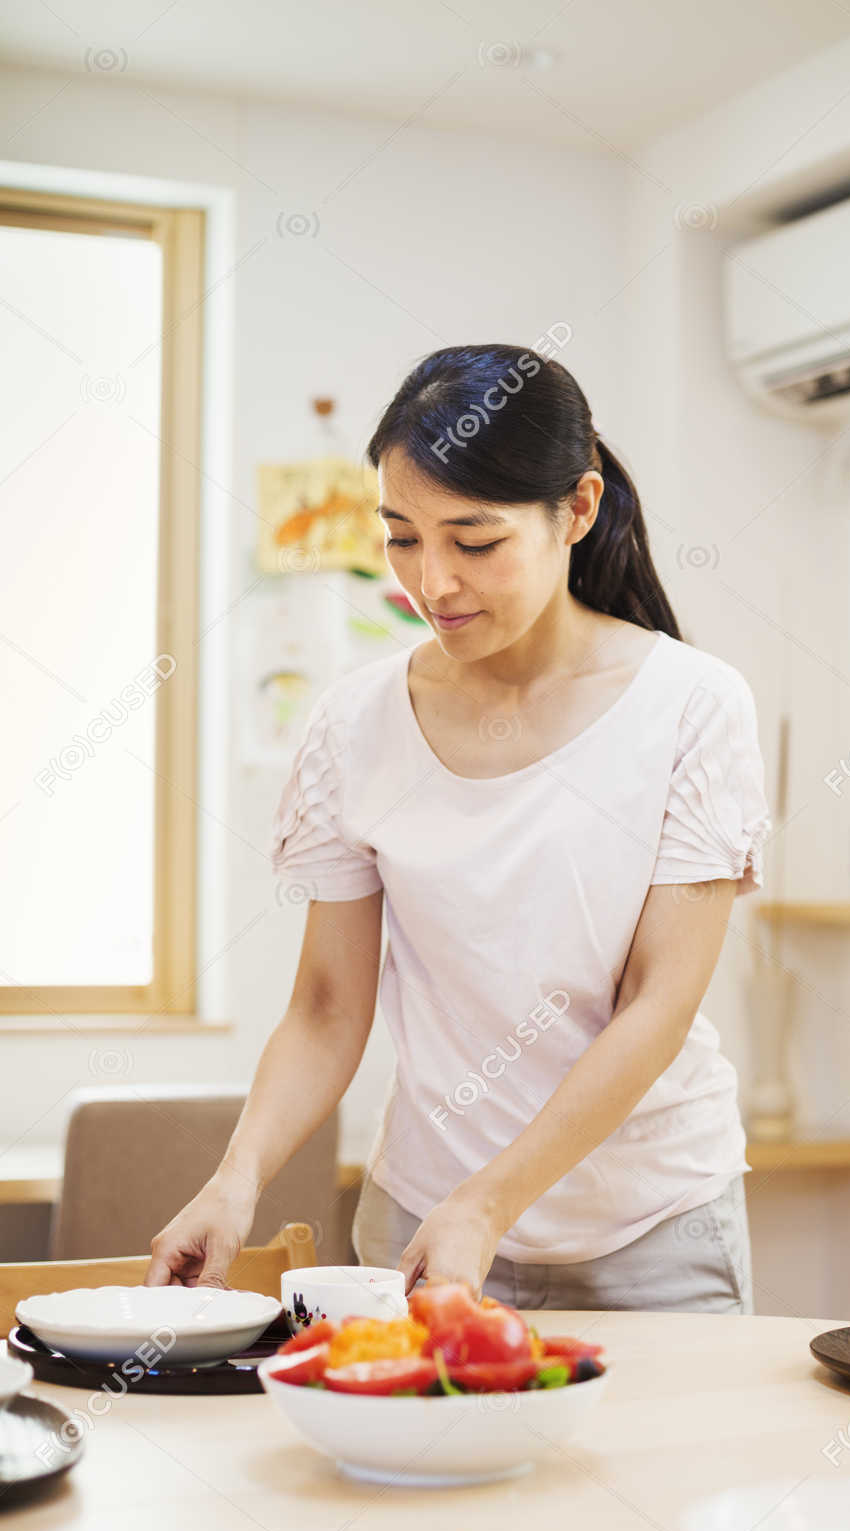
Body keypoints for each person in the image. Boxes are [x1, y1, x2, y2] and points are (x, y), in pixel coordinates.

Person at [146, 343, 770, 1311]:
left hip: (650, 1228)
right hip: (421, 1222)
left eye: (473, 542)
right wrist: (237, 1180)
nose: (431, 583)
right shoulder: (354, 723)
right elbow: (325, 1008)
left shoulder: (691, 706)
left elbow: (657, 1002)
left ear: (579, 509)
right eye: (401, 537)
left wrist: (491, 1205)